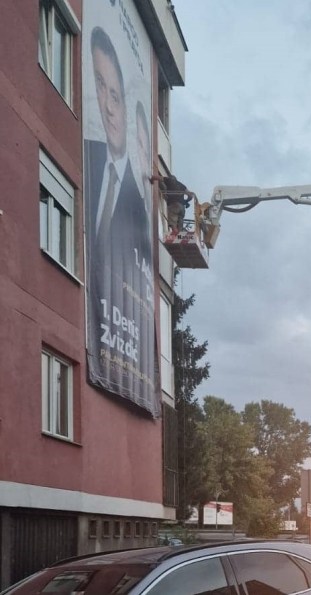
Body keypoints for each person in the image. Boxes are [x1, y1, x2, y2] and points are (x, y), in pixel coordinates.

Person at [84, 26, 156, 414]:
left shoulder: (138, 206)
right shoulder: (87, 158)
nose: (108, 107)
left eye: (116, 95)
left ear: (127, 108)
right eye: (99, 87)